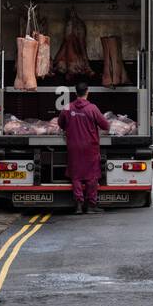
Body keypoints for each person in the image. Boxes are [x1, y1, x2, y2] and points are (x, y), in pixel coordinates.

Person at [58, 83, 110, 214]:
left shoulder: (68, 107)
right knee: (92, 176)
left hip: (73, 146)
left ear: (75, 93)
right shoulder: (92, 108)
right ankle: (91, 205)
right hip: (90, 147)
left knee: (75, 176)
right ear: (87, 92)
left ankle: (79, 205)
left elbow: (60, 123)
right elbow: (105, 126)